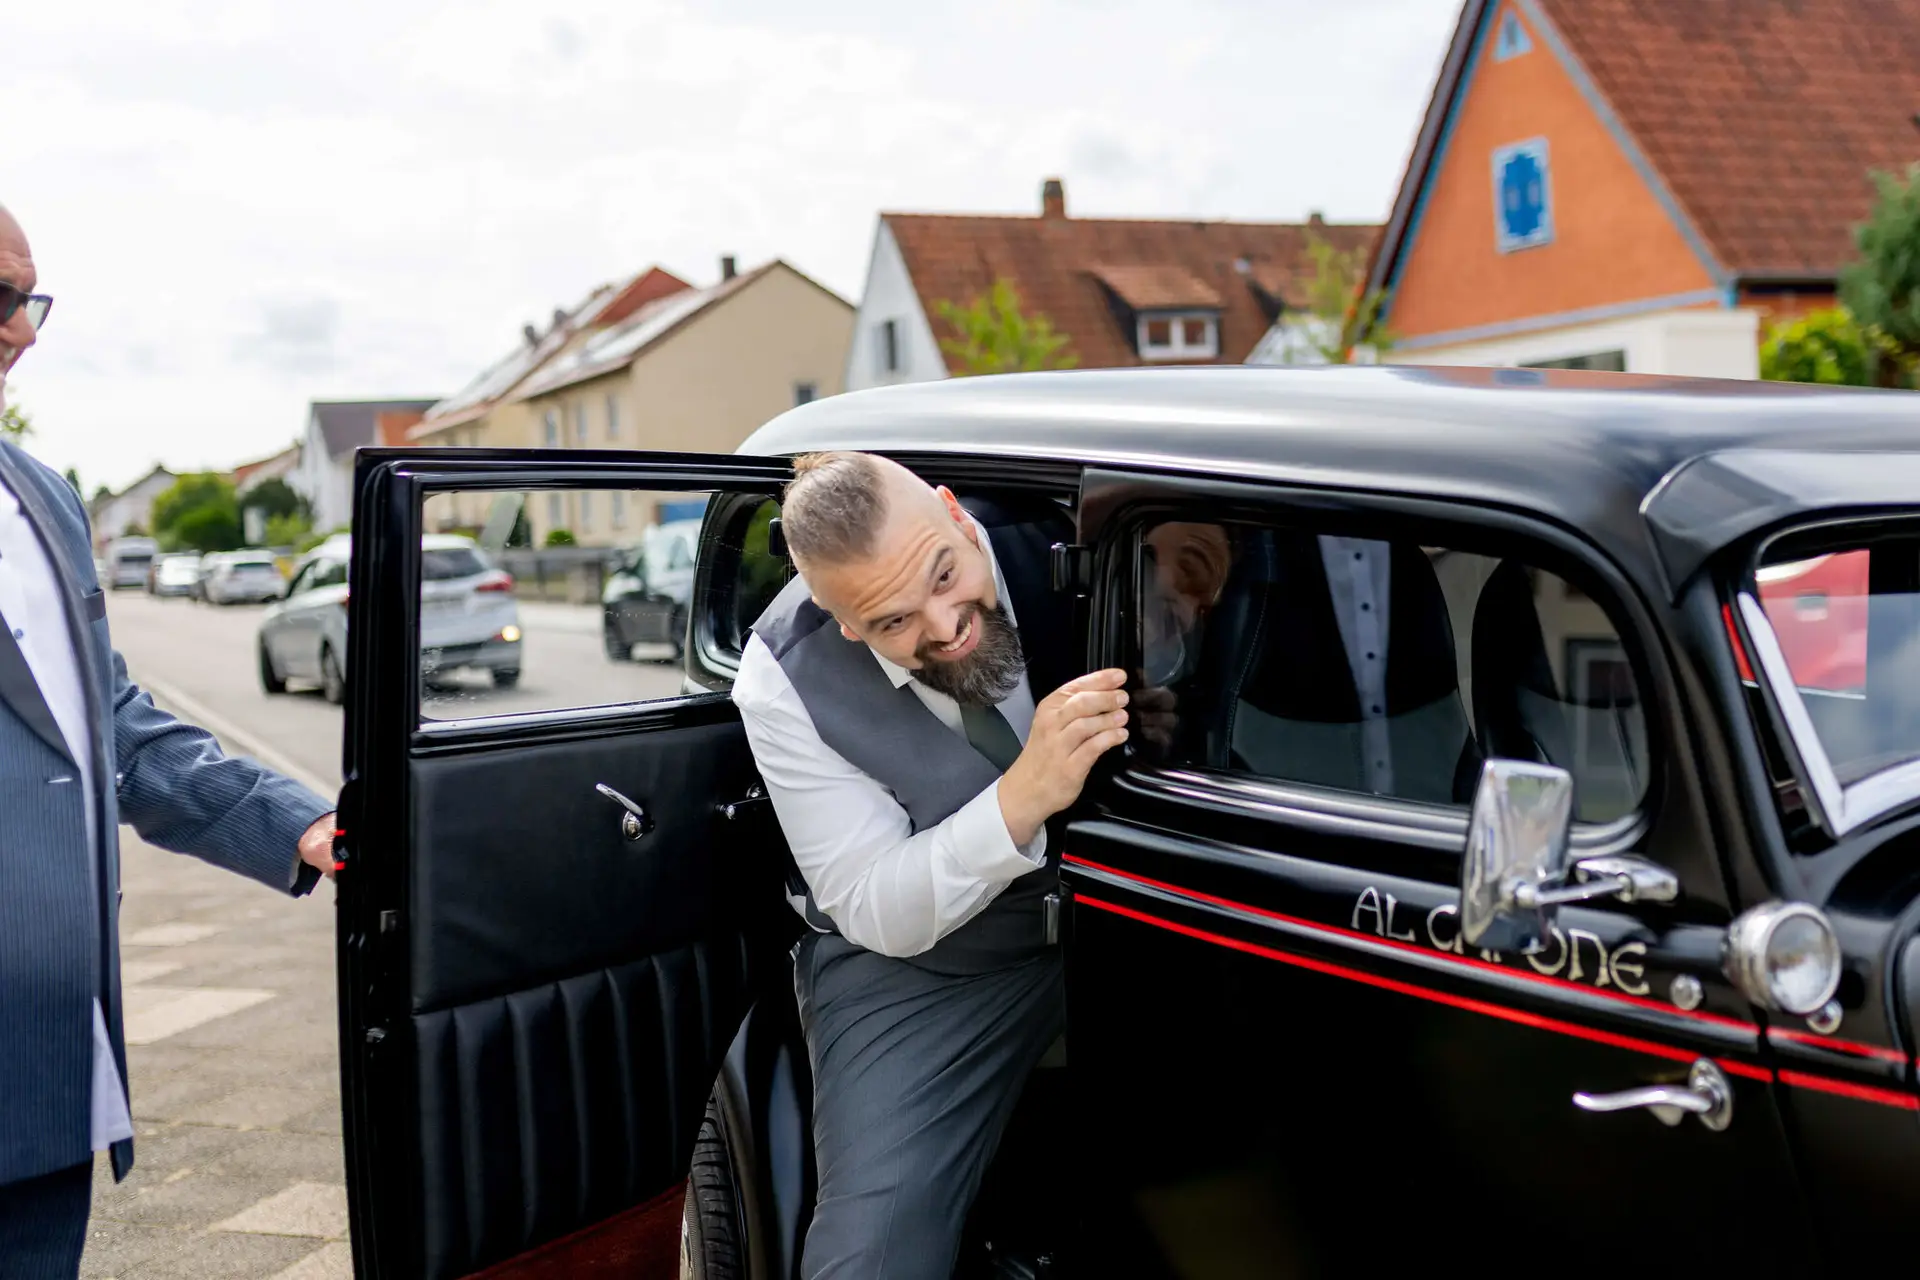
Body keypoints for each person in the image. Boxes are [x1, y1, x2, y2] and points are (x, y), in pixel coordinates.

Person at [0, 202, 338, 1280]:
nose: (26, 329)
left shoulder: (44, 496)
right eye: (4, 298)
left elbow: (111, 727)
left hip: (47, 1056)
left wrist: (304, 822)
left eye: (30, 298)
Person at [732, 451, 1128, 1279]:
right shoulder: (780, 681)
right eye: (892, 623)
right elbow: (874, 904)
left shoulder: (1075, 538)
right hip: (927, 968)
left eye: (945, 576)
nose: (944, 625)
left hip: (1126, 917)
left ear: (952, 512)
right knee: (867, 1257)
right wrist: (1023, 795)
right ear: (843, 621)